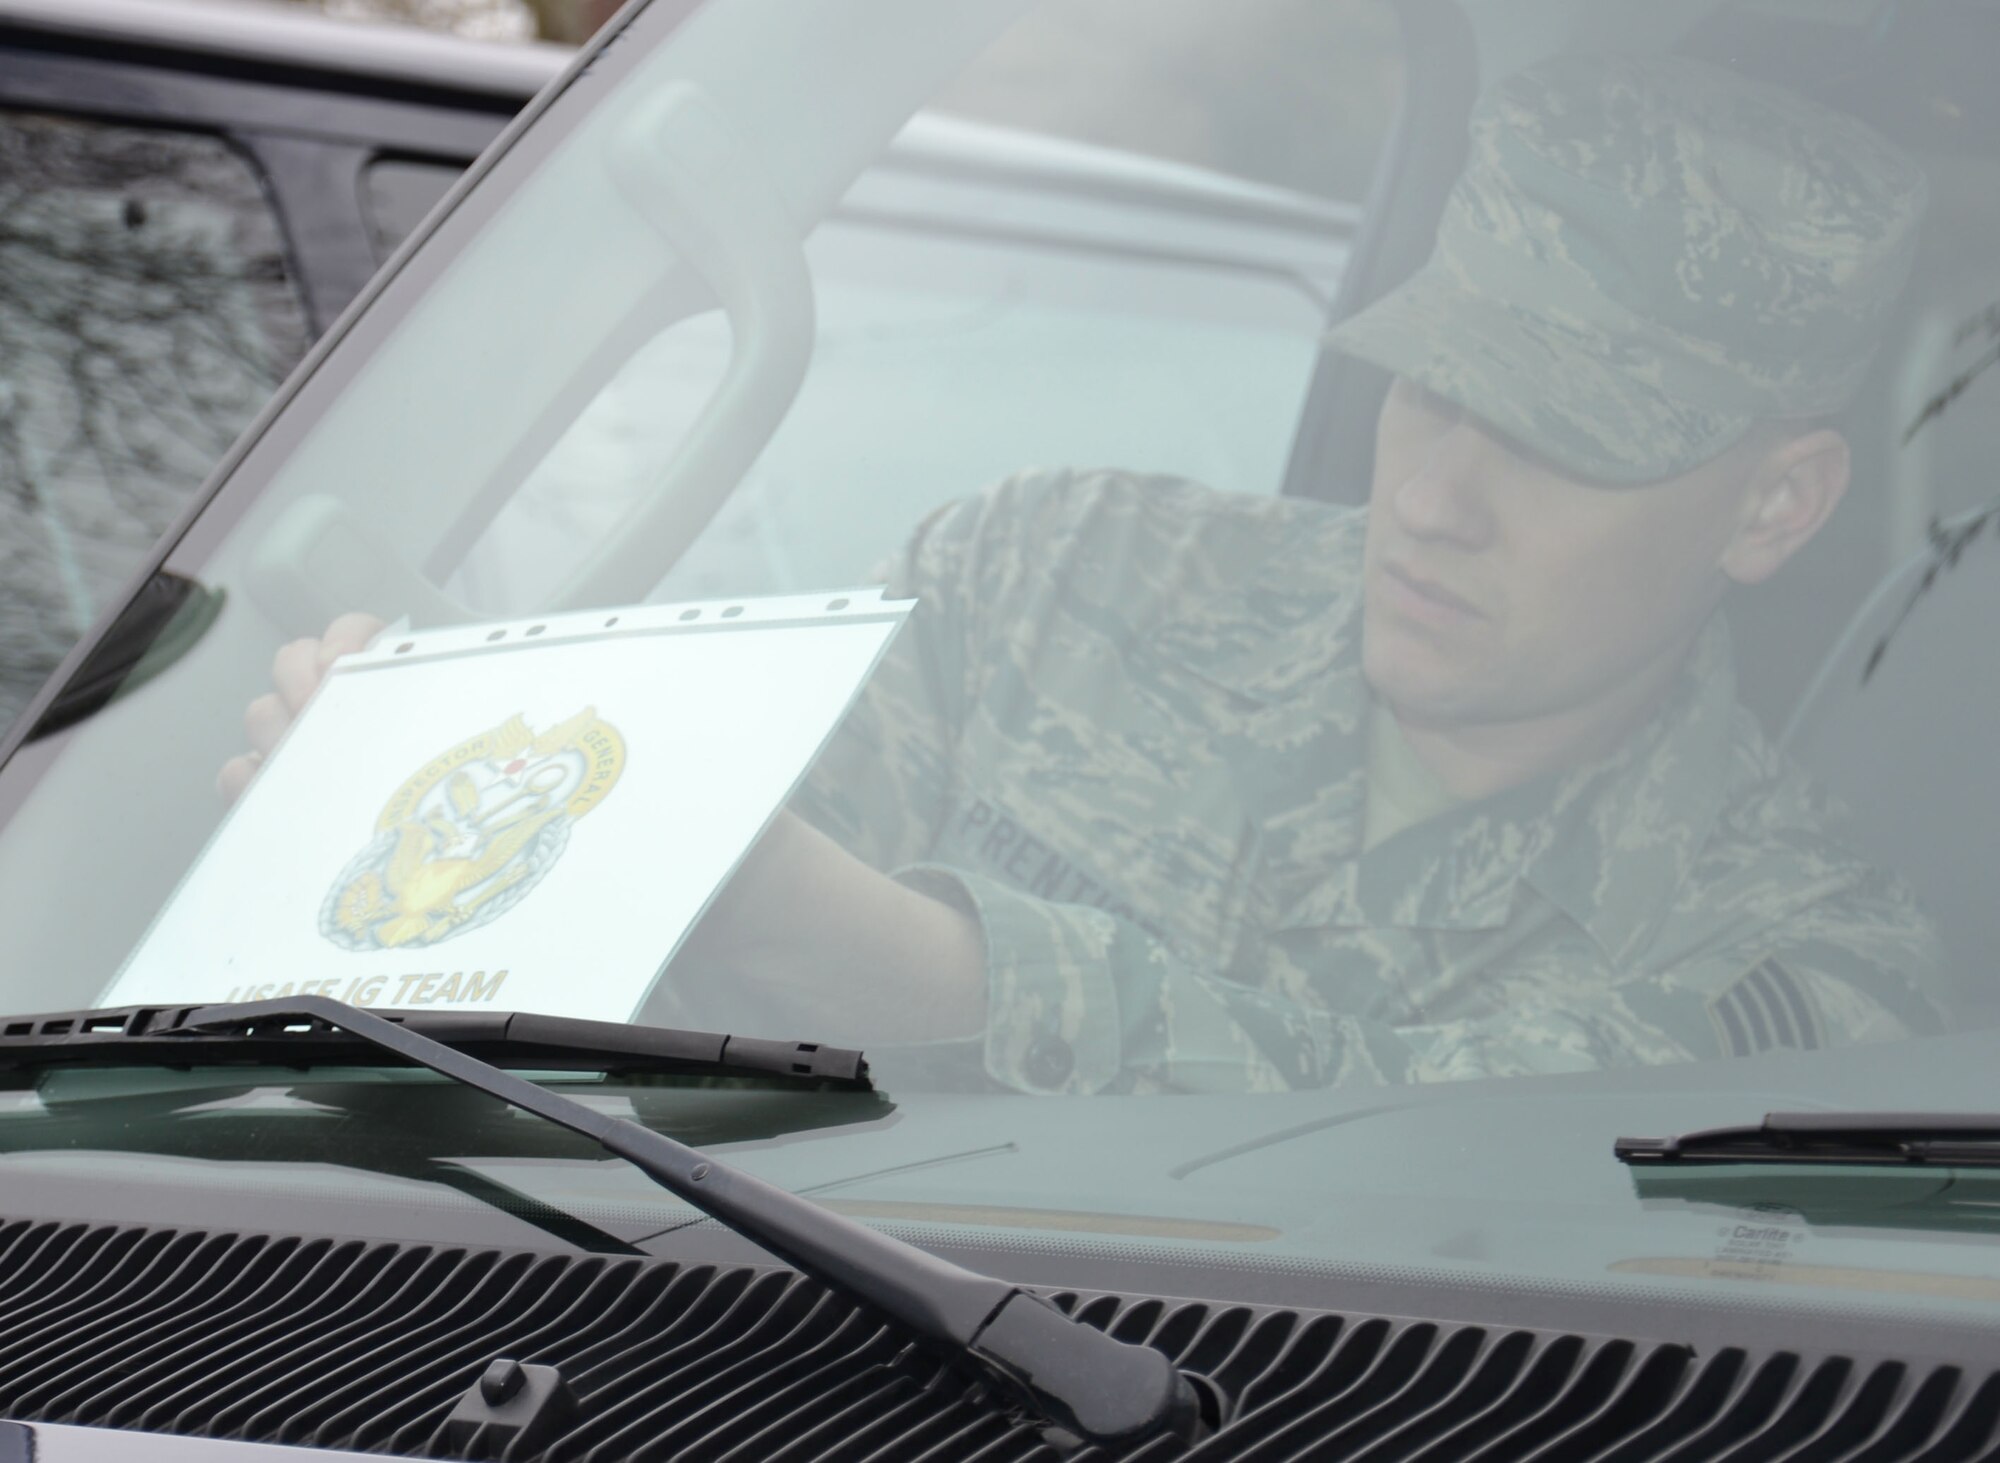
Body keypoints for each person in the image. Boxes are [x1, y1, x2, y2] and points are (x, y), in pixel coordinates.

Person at [224, 53, 1945, 1095]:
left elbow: (1415, 1160)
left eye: (1559, 439)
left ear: (1774, 508)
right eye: (1436, 386)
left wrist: (912, 976)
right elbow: (638, 1027)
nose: (1436, 498)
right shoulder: (1064, 572)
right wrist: (439, 852)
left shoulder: (1810, 981)